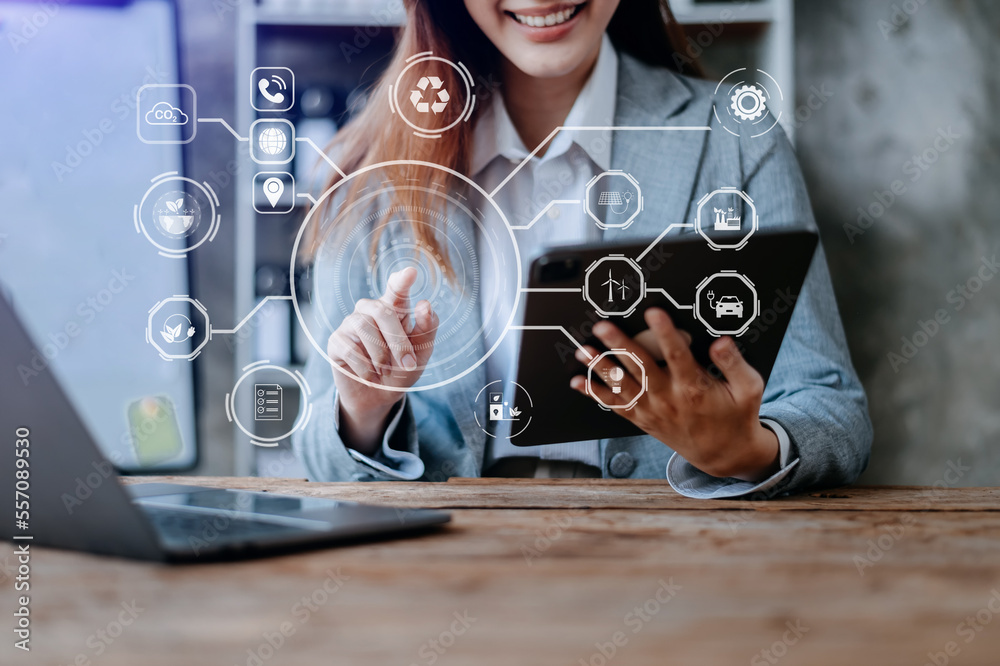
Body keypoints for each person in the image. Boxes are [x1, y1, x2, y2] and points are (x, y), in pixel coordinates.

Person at [293, 0, 873, 499]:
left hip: (675, 555)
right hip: (450, 566)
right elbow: (317, 455)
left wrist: (746, 450)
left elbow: (833, 413)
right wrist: (363, 413)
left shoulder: (734, 138)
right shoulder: (375, 166)